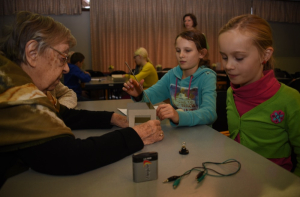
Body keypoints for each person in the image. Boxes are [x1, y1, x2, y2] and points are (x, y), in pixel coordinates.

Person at [0, 11, 164, 187]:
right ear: (32, 53)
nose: (66, 69)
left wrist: (113, 118)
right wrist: (136, 135)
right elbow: (68, 156)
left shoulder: (19, 84)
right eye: (62, 58)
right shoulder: (15, 95)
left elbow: (66, 115)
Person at [218, 14, 300, 176]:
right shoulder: (230, 93)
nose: (228, 66)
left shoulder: (290, 99)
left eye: (239, 58)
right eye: (224, 57)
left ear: (265, 55)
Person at [123, 30, 217, 127]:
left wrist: (179, 116)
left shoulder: (207, 77)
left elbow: (209, 113)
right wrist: (139, 94)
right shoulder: (172, 75)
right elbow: (151, 95)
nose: (181, 55)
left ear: (202, 53)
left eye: (187, 50)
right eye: (178, 50)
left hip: (201, 136)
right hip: (176, 134)